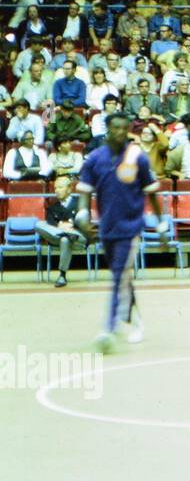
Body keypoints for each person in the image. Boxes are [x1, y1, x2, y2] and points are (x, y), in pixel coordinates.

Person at [75, 113, 169, 353]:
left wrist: (160, 227)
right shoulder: (95, 158)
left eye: (123, 128)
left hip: (130, 228)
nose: (119, 132)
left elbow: (152, 194)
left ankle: (108, 328)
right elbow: (84, 192)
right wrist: (83, 217)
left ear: (128, 130)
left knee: (118, 275)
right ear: (107, 129)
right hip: (107, 228)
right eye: (115, 128)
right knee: (123, 277)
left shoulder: (137, 157)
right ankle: (136, 320)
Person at [36, 176, 87, 288]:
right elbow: (50, 224)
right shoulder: (52, 207)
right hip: (58, 237)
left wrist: (71, 225)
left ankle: (62, 275)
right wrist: (62, 226)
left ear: (69, 189)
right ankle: (66, 235)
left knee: (66, 239)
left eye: (60, 187)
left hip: (78, 237)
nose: (57, 190)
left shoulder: (80, 203)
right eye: (55, 188)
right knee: (38, 225)